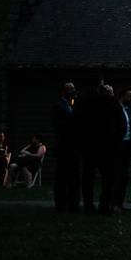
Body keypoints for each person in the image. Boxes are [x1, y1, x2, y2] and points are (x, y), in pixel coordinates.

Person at [80, 82, 123, 214]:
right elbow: (121, 125)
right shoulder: (114, 103)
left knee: (88, 177)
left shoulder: (87, 103)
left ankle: (88, 205)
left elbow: (80, 123)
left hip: (89, 146)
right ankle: (104, 205)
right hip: (107, 147)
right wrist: (116, 141)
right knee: (108, 178)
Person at [52, 82, 80, 212]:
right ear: (63, 91)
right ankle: (61, 204)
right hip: (63, 147)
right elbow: (61, 127)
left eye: (74, 88)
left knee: (74, 176)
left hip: (74, 148)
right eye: (70, 89)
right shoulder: (58, 106)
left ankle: (73, 203)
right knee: (62, 177)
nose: (73, 90)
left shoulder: (72, 106)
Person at [112, 89, 131, 211]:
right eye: (129, 96)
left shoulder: (128, 110)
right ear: (122, 96)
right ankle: (115, 202)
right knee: (118, 174)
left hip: (127, 145)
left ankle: (119, 202)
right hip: (119, 145)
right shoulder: (117, 109)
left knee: (124, 175)